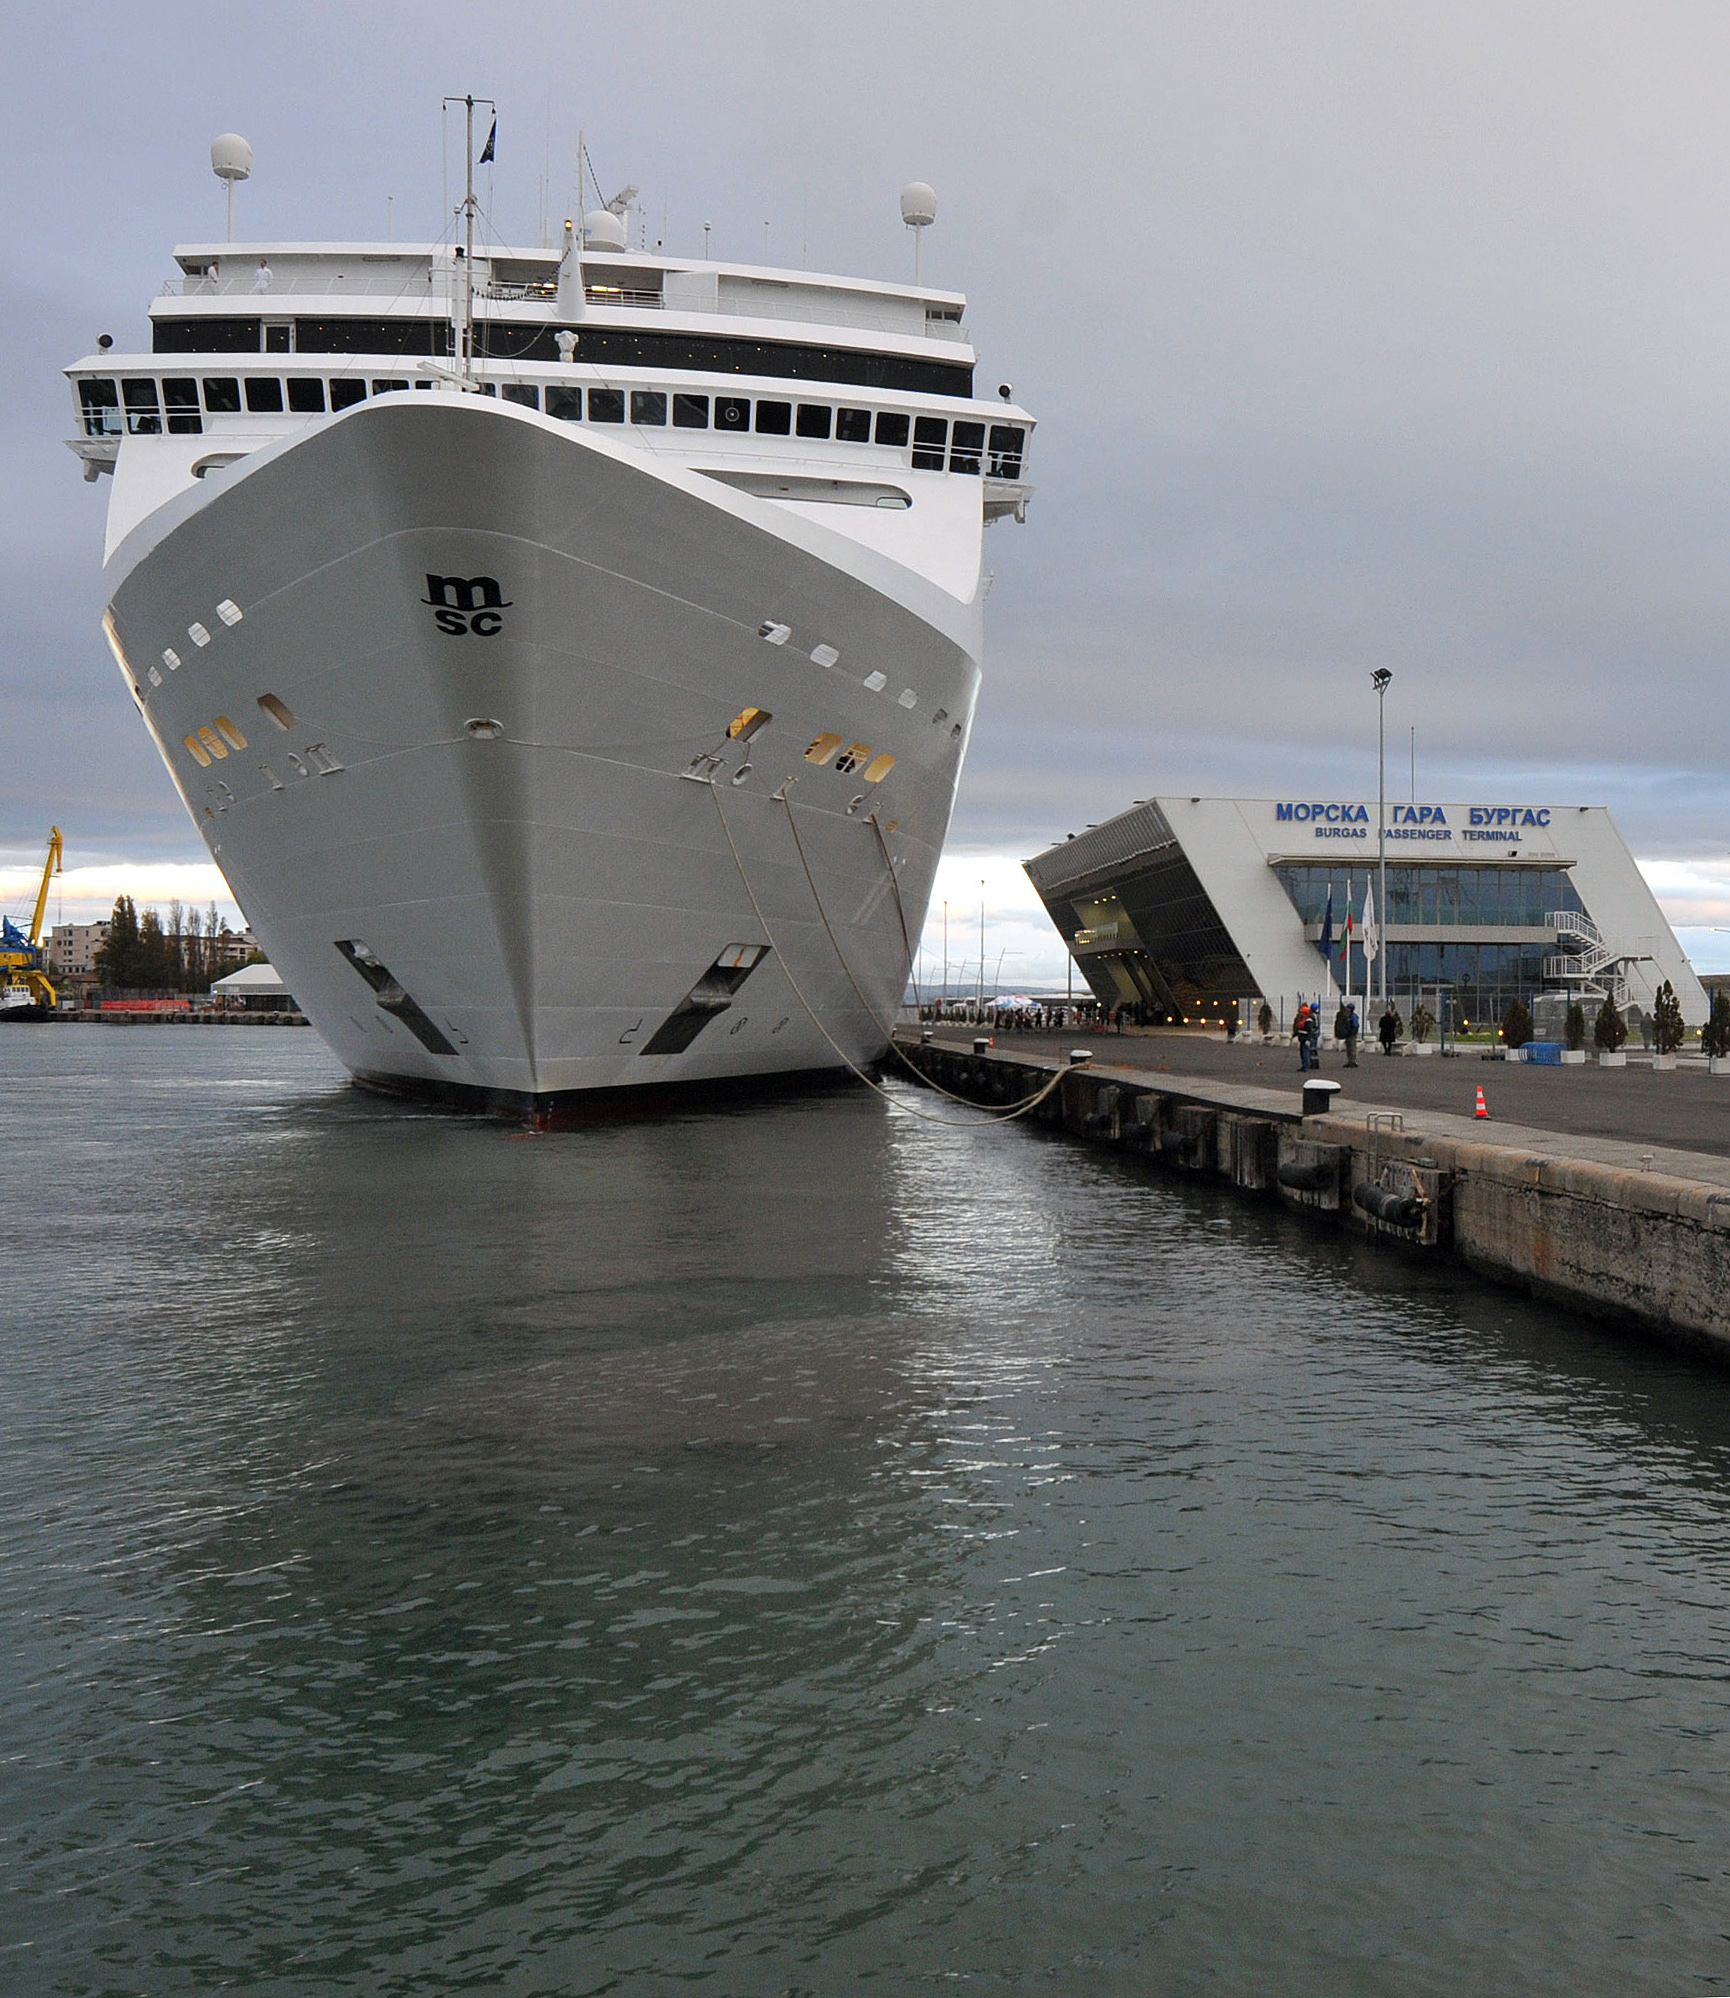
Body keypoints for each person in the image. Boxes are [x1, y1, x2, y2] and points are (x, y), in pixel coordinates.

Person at [1336, 999, 1359, 1068]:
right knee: (1348, 1048)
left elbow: (1355, 1025)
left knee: (1352, 1048)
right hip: (1348, 1034)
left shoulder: (1353, 1016)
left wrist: (1352, 1032)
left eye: (1348, 1008)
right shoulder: (1347, 1016)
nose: (1347, 1009)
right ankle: (1350, 1061)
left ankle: (1353, 1061)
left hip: (1351, 1034)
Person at [1293, 1001, 1314, 1070]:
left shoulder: (1308, 1020)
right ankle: (1304, 1065)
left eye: (1302, 1012)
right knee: (1302, 1053)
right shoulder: (1302, 1020)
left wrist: (1308, 1040)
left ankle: (1306, 1066)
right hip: (1302, 1038)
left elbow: (1310, 1031)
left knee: (1305, 1053)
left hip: (1305, 1038)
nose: (1300, 1013)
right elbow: (1299, 1029)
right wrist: (1294, 1035)